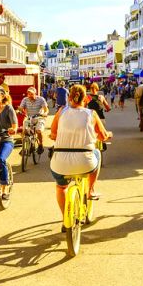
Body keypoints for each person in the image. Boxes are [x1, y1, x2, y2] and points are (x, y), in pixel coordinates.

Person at [49, 85, 112, 231]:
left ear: (69, 98)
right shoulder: (92, 114)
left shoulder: (61, 112)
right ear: (85, 99)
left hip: (60, 163)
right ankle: (90, 190)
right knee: (96, 153)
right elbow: (102, 136)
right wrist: (109, 134)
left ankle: (66, 218)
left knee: (61, 186)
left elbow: (53, 134)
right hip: (85, 162)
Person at [18, 86, 49, 154]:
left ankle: (40, 145)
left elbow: (46, 109)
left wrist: (45, 113)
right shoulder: (25, 99)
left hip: (39, 117)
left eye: (31, 94)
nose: (30, 95)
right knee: (24, 131)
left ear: (35, 93)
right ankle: (25, 147)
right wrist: (20, 109)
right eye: (28, 94)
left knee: (38, 131)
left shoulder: (41, 99)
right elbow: (21, 107)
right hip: (29, 118)